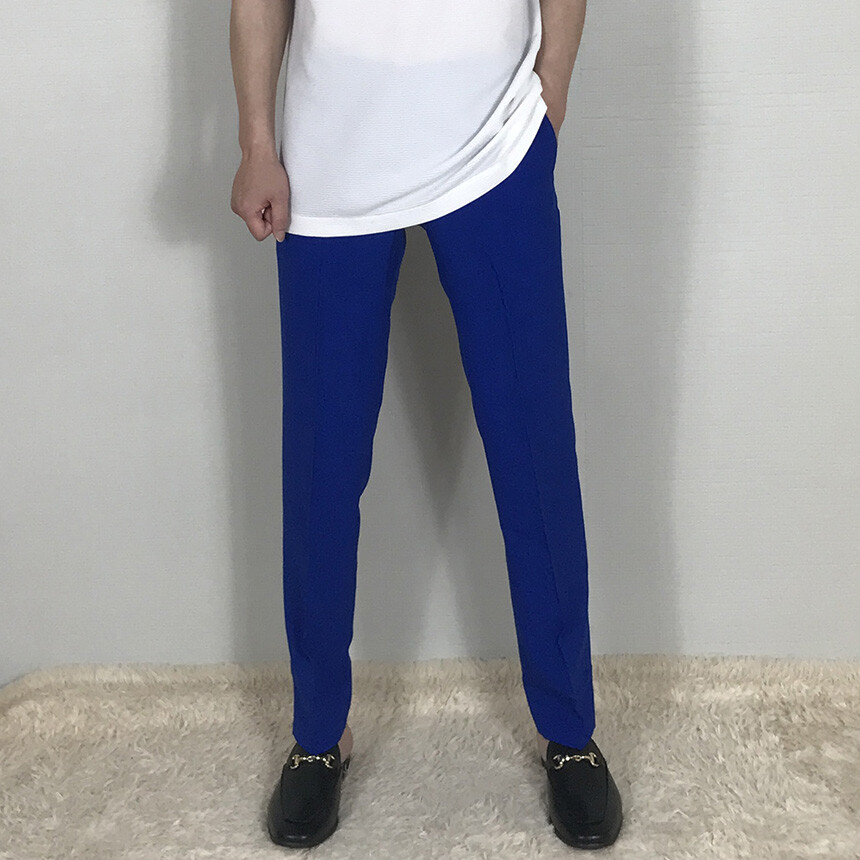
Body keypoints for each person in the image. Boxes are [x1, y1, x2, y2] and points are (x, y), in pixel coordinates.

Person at [229, 0, 623, 849]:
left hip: (494, 136)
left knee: (534, 450)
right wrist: (257, 141)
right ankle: (317, 736)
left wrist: (551, 88)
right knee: (322, 466)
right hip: (332, 149)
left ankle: (570, 732)